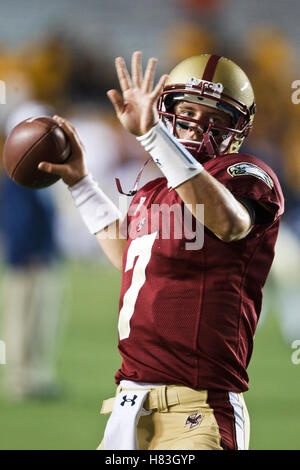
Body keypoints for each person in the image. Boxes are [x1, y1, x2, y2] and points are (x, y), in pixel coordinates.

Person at [38, 52, 284, 450]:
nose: (198, 126)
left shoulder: (245, 173)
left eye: (215, 119)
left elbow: (229, 223)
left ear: (237, 128)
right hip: (128, 409)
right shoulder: (153, 191)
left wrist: (153, 135)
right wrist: (82, 184)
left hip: (198, 411)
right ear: (167, 110)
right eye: (187, 110)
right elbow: (133, 259)